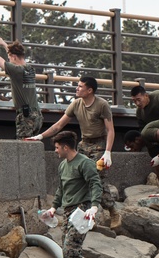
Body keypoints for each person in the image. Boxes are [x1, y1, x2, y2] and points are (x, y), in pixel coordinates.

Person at [27, 77, 121, 229]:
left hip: (99, 144)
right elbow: (58, 125)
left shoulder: (101, 105)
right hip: (83, 143)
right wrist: (40, 136)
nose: (77, 89)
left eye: (80, 86)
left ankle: (112, 210)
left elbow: (110, 130)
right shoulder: (76, 104)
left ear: (89, 90)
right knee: (76, 177)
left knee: (96, 177)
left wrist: (108, 152)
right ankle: (85, 214)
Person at [39, 131, 102, 258]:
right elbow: (61, 189)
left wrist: (94, 207)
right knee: (66, 250)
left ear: (66, 147)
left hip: (82, 210)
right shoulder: (63, 166)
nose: (56, 150)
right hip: (67, 211)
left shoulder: (85, 163)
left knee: (71, 247)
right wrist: (53, 208)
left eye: (58, 147)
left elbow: (96, 183)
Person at [0, 36, 43, 140]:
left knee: (23, 147)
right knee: (31, 145)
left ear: (14, 57)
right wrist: (3, 44)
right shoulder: (30, 68)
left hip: (26, 117)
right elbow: (13, 55)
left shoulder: (16, 70)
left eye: (9, 58)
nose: (9, 61)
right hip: (37, 115)